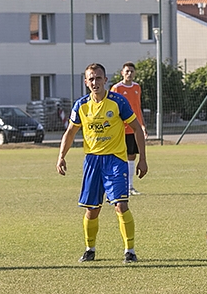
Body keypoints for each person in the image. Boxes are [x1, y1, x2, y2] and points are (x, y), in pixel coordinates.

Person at [56, 63, 148, 264]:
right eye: (91, 79)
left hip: (115, 160)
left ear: (105, 80)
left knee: (121, 205)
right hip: (92, 162)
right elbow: (70, 132)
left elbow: (136, 129)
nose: (95, 82)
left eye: (98, 78)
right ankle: (90, 249)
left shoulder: (117, 102)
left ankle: (130, 251)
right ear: (86, 82)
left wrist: (142, 158)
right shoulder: (81, 105)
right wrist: (61, 156)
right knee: (91, 209)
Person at [110, 62, 147, 195]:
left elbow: (138, 108)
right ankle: (119, 186)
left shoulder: (137, 87)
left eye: (131, 71)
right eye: (127, 71)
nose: (129, 74)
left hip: (133, 128)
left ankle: (130, 186)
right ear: (122, 73)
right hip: (120, 128)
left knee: (132, 156)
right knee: (120, 157)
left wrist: (142, 125)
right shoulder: (116, 88)